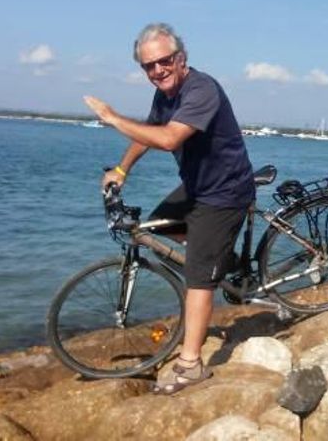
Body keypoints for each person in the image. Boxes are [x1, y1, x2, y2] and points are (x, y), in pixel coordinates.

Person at [84, 22, 255, 394]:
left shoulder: (201, 89)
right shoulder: (164, 94)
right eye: (149, 66)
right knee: (156, 227)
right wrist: (121, 169)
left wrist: (113, 119)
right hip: (196, 187)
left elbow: (168, 138)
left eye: (164, 61)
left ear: (180, 58)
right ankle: (221, 259)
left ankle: (191, 366)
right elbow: (149, 130)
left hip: (224, 193)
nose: (157, 70)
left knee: (198, 278)